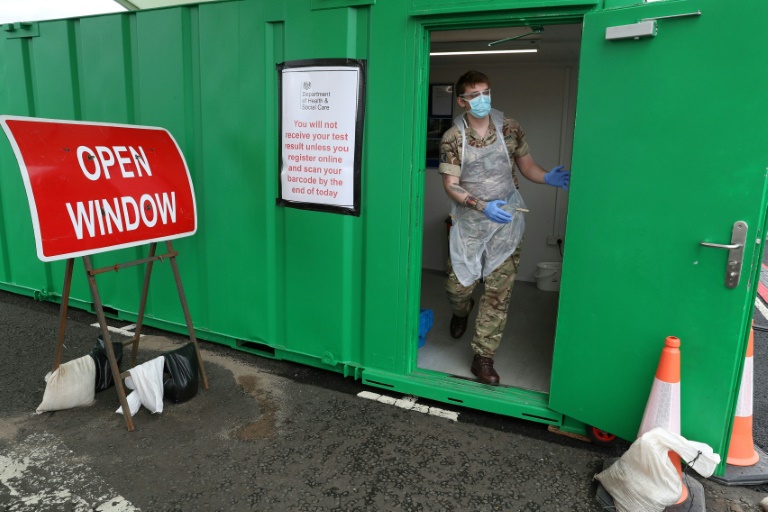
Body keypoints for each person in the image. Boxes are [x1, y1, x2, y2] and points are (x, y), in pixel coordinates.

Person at [438, 70, 570, 386]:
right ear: (462, 101)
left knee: (498, 293)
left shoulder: (510, 128)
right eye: (475, 95)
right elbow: (451, 185)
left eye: (486, 92)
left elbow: (527, 166)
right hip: (470, 224)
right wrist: (482, 206)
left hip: (505, 223)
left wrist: (546, 177)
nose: (482, 99)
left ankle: (483, 357)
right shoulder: (453, 138)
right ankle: (461, 311)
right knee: (457, 288)